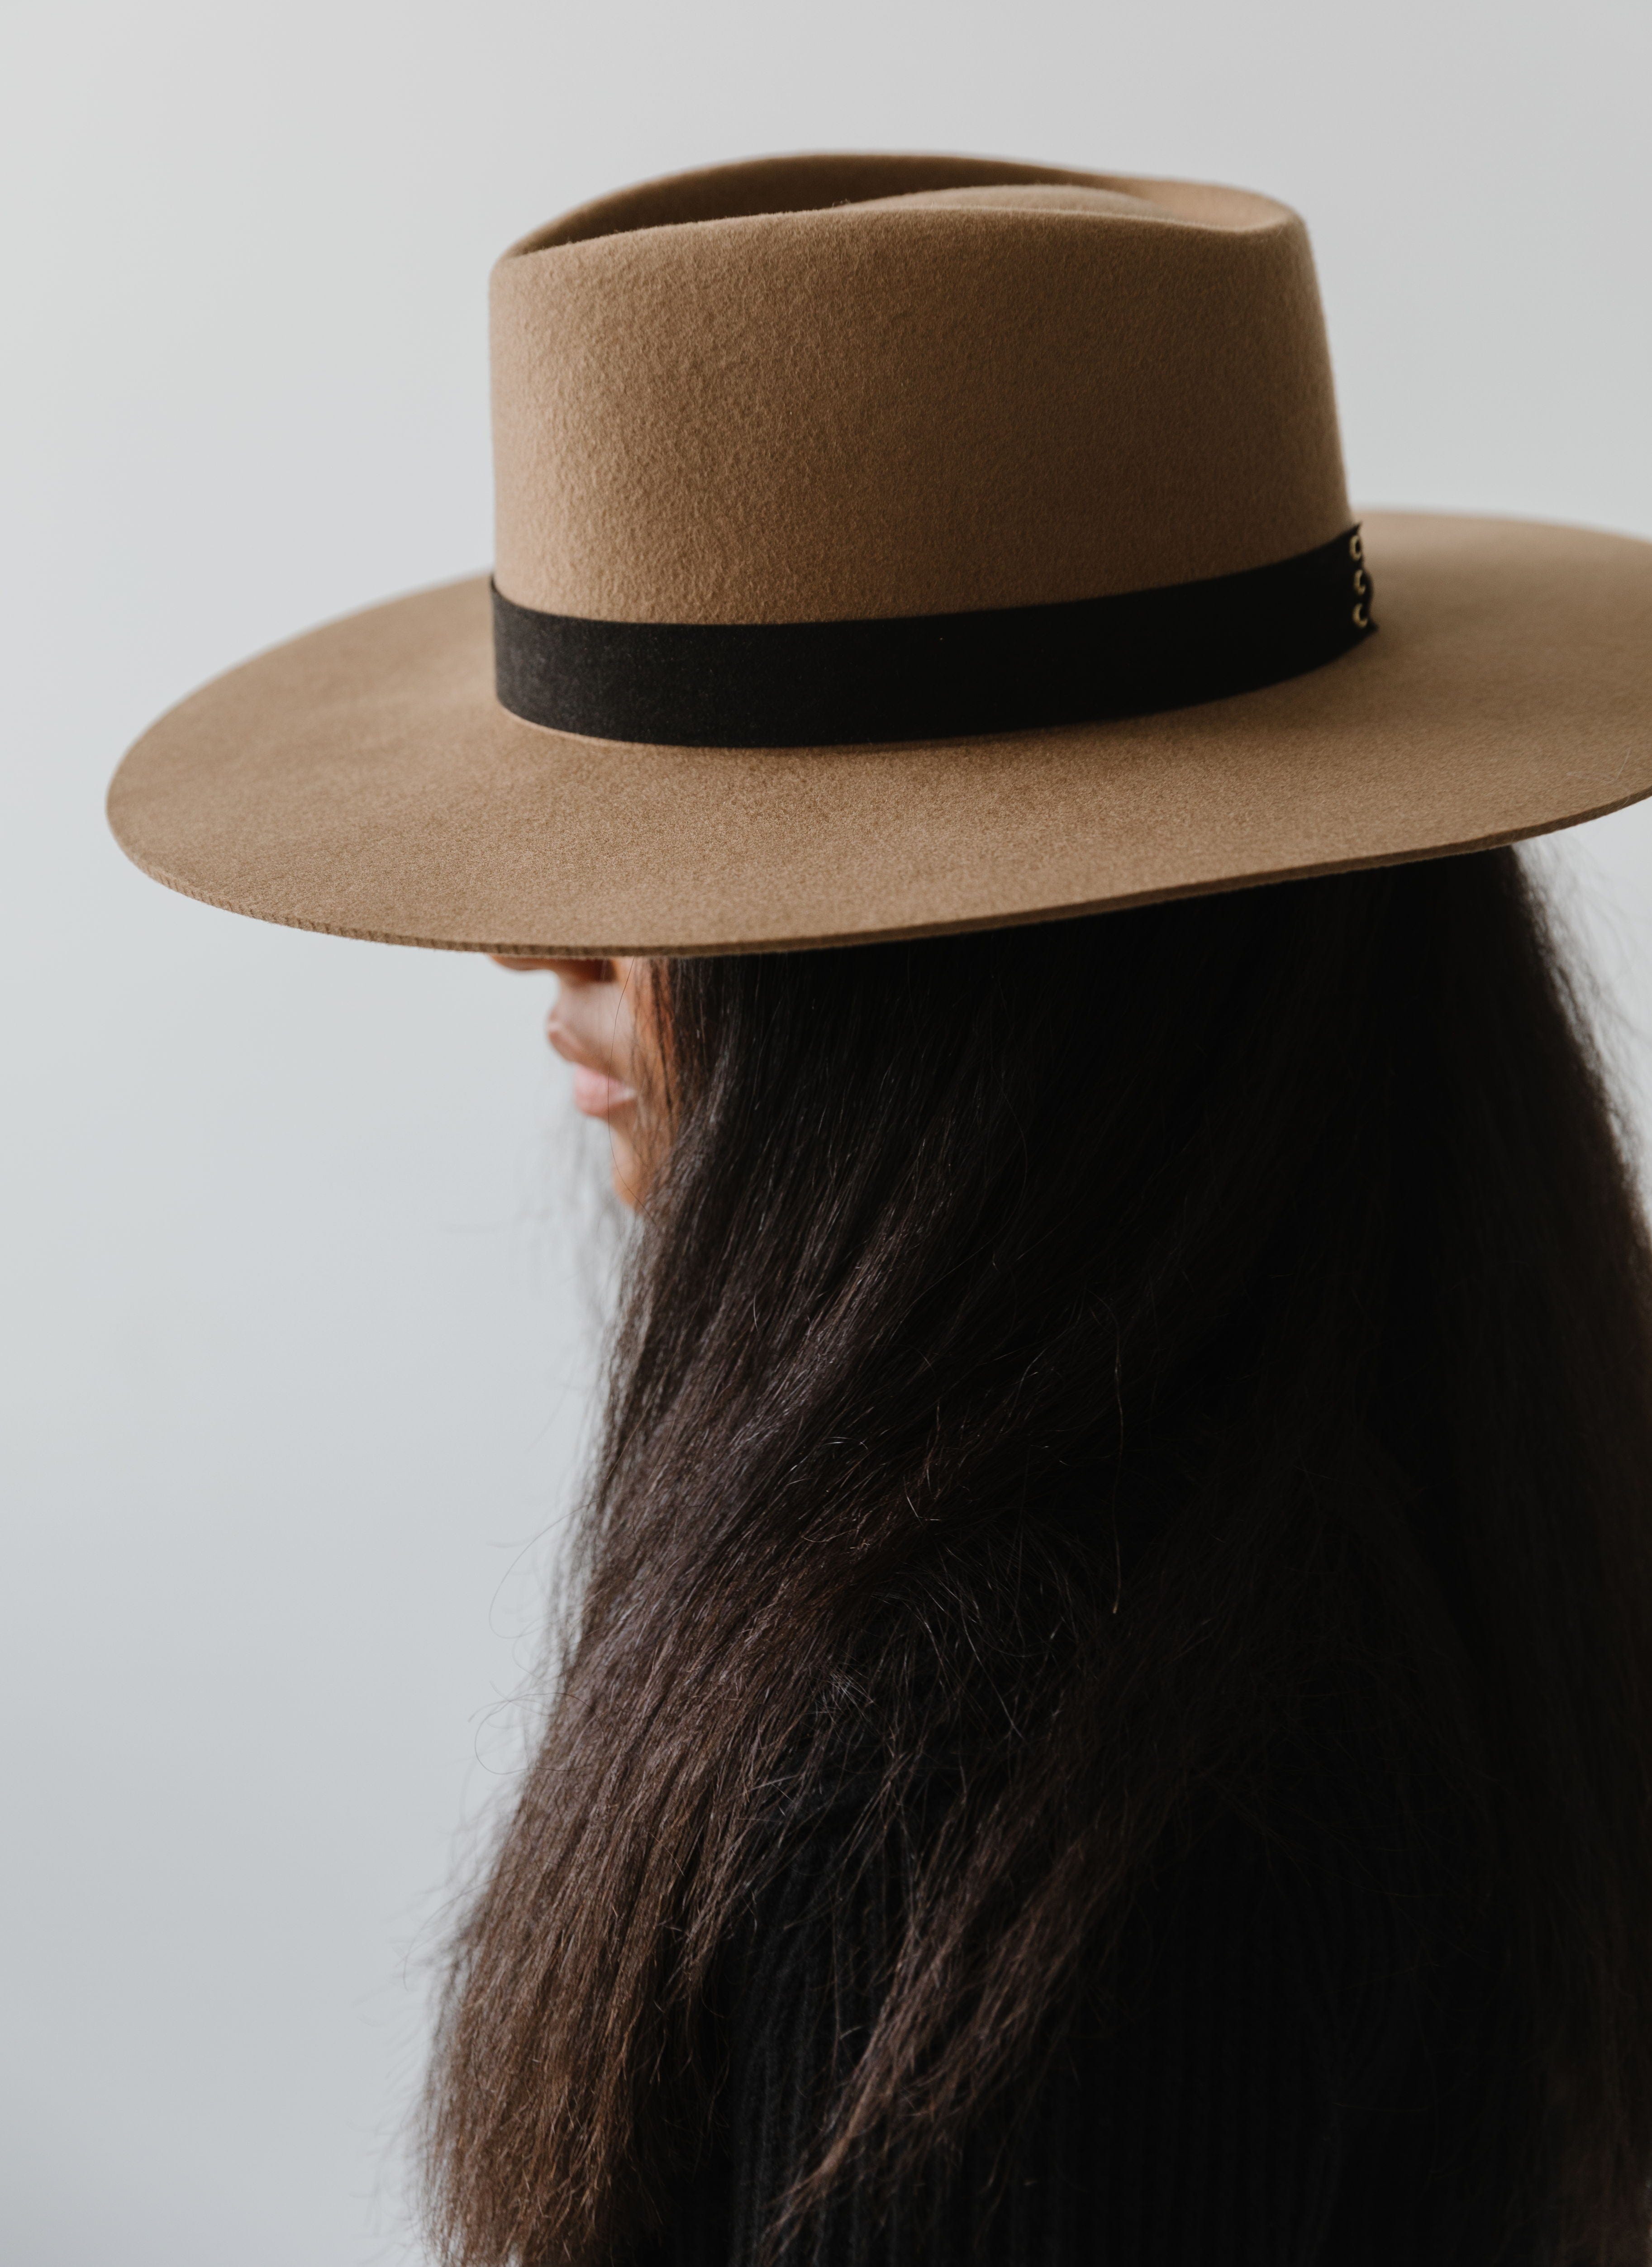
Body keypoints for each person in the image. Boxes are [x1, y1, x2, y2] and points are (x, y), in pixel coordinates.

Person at [107, 153, 1652, 2262]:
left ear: (968, 970)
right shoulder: (1409, 1479)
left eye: (664, 851)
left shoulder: (1001, 1770)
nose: (529, 950)